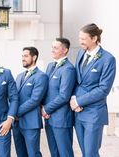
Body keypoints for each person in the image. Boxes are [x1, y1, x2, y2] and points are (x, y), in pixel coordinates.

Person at [70, 23, 116, 157]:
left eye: (83, 39)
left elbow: (103, 89)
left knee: (90, 153)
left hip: (94, 113)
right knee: (85, 152)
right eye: (79, 38)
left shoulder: (108, 59)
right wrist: (73, 99)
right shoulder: (80, 53)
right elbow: (77, 80)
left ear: (94, 38)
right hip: (78, 112)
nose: (80, 42)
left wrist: (79, 101)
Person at [42, 38, 75, 157]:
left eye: (55, 48)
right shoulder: (50, 66)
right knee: (54, 153)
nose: (52, 50)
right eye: (52, 47)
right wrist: (42, 107)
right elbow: (45, 89)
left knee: (65, 153)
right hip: (48, 118)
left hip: (61, 119)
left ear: (65, 50)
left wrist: (46, 109)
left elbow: (64, 96)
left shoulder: (68, 69)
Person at [13, 46, 48, 157]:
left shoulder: (41, 76)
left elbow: (35, 100)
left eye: (26, 56)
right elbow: (13, 96)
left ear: (34, 57)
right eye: (22, 56)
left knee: (33, 154)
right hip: (16, 123)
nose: (23, 58)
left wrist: (15, 112)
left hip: (31, 122)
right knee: (20, 153)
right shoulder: (19, 76)